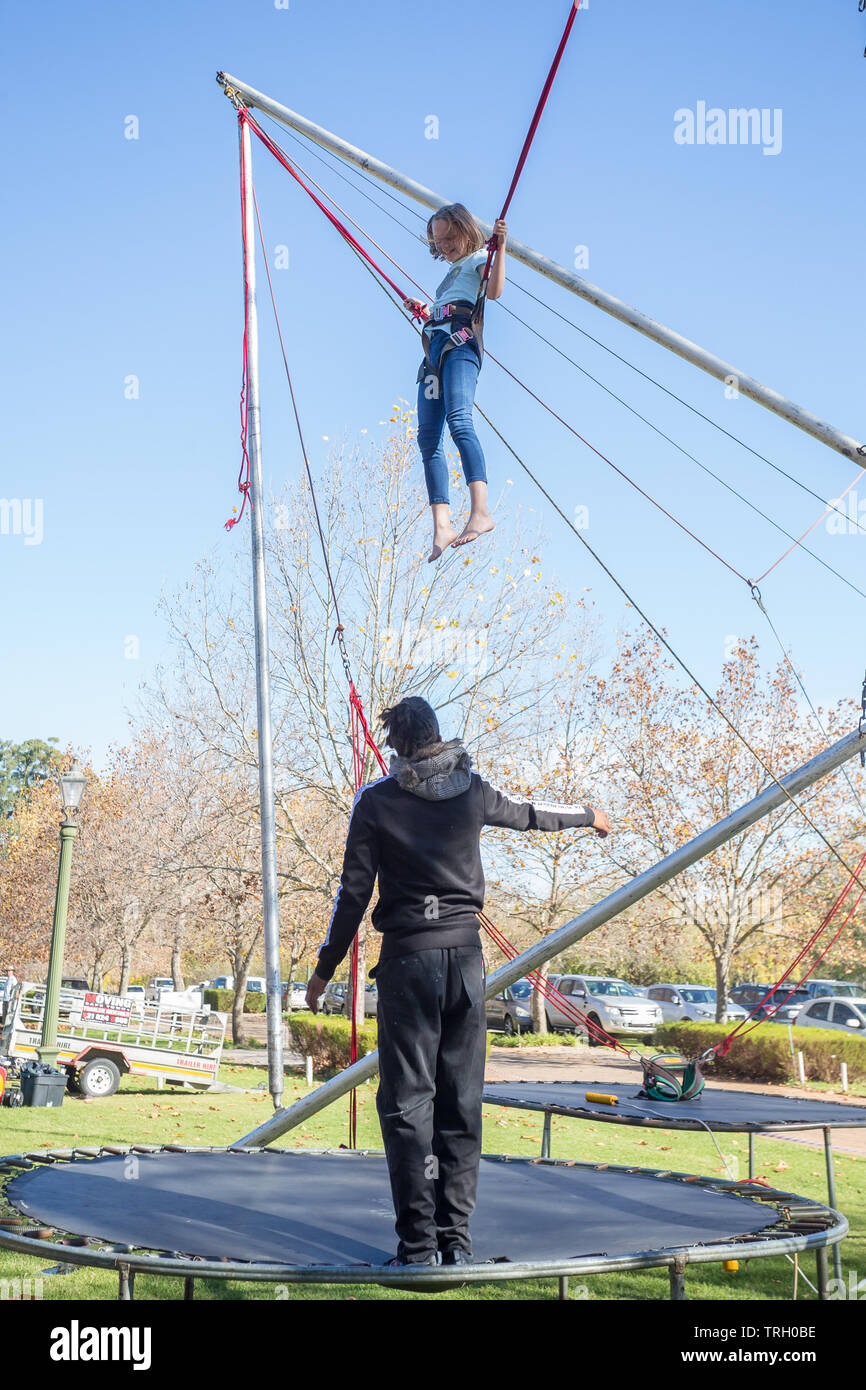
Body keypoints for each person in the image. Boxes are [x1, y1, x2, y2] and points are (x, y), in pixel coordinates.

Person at [306, 696, 610, 1267]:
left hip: (408, 969)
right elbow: (529, 813)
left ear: (396, 745)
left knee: (406, 1106)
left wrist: (324, 970)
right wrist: (587, 816)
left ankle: (418, 1248)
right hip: (466, 968)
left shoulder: (376, 803)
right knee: (460, 1101)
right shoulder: (472, 792)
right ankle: (456, 1241)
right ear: (438, 735)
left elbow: (353, 896)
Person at [403, 204, 508, 564]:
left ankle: (481, 512)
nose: (445, 246)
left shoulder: (480, 257)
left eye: (449, 237)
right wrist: (427, 309)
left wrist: (501, 247)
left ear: (465, 230)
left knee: (459, 419)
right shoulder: (449, 275)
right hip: (434, 348)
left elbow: (492, 292)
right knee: (428, 436)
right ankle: (442, 525)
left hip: (460, 344)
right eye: (439, 240)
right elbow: (449, 302)